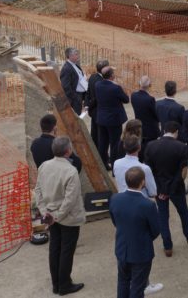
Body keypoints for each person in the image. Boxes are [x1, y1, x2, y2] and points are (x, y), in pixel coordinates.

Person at [34, 136, 86, 295]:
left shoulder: (44, 166)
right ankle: (64, 284)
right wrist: (58, 215)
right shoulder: (71, 171)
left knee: (54, 248)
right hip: (67, 218)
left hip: (50, 215)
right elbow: (70, 199)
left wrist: (45, 213)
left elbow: (38, 191)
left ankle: (56, 284)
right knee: (66, 251)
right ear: (68, 151)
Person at [144, 121, 188, 257]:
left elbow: (149, 171)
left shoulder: (151, 146)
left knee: (163, 216)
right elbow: (183, 172)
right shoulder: (181, 147)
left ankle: (167, 246)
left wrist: (161, 190)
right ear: (176, 132)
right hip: (176, 188)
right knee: (183, 212)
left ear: (163, 130)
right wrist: (171, 189)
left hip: (159, 188)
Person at [109, 167, 161, 298]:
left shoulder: (115, 199)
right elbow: (155, 230)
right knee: (137, 287)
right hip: (141, 252)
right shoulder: (148, 205)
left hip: (122, 248)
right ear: (143, 182)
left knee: (123, 282)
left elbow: (115, 221)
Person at [96, 66, 129, 168]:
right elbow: (126, 99)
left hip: (102, 118)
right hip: (114, 120)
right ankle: (115, 166)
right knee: (115, 143)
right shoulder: (116, 88)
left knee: (103, 142)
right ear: (111, 76)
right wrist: (120, 87)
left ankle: (103, 164)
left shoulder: (97, 85)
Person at [131, 75, 161, 160]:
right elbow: (155, 115)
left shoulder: (133, 96)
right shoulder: (150, 99)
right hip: (150, 129)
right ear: (150, 85)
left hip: (139, 126)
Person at [85, 59, 108, 148]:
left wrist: (87, 105)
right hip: (99, 111)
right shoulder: (101, 82)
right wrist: (89, 106)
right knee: (100, 135)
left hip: (94, 111)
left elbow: (88, 93)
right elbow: (95, 97)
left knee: (94, 133)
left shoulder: (92, 77)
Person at [59, 47, 87, 115]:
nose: (78, 56)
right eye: (76, 54)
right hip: (74, 99)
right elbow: (66, 86)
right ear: (70, 56)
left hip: (79, 96)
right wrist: (75, 98)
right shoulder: (66, 69)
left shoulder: (75, 65)